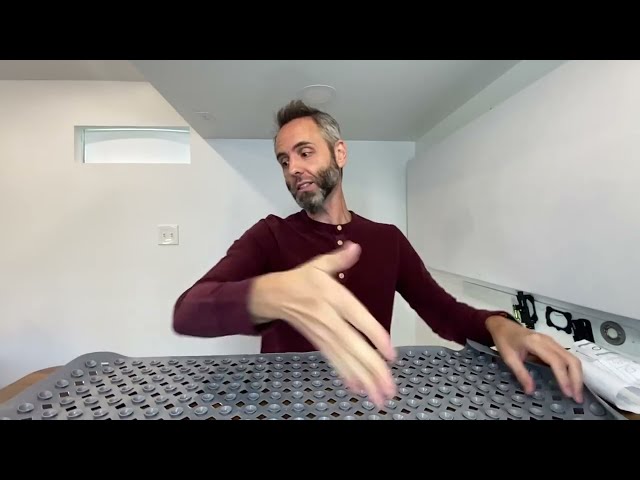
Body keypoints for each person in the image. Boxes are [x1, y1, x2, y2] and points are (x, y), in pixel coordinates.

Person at [173, 99, 584, 408]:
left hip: (367, 401)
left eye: (304, 152)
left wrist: (503, 328)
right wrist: (271, 294)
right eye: (283, 160)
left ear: (339, 153)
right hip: (284, 402)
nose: (292, 168)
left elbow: (445, 313)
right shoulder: (270, 235)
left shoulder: (387, 240)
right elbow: (188, 310)